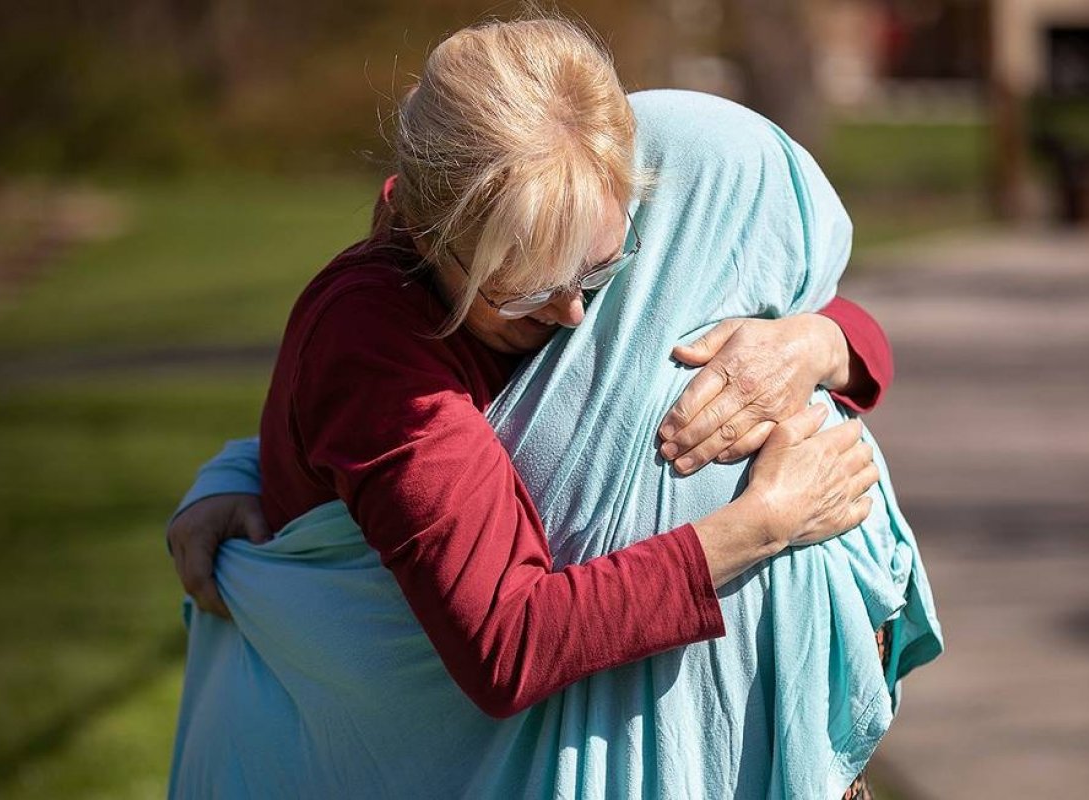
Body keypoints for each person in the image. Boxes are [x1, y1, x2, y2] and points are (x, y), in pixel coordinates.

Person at [167, 17, 941, 799]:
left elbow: (854, 329)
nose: (574, 313)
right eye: (531, 288)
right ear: (433, 238)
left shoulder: (554, 217)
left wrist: (812, 345)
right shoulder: (376, 345)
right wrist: (761, 525)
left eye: (602, 273)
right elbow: (508, 645)